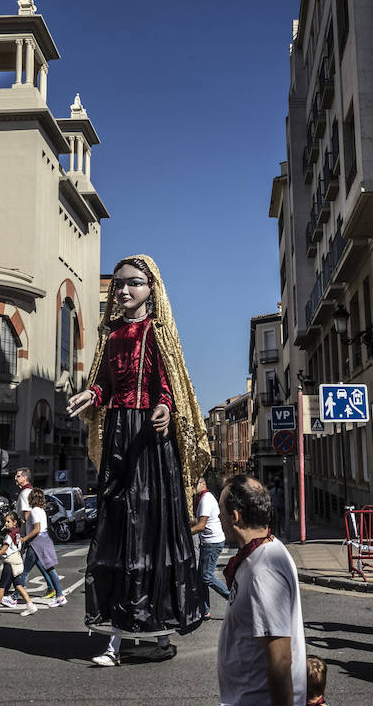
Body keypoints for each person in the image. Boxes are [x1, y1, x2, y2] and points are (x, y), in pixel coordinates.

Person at [67, 256, 209, 666]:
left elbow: (168, 385)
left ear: (152, 288)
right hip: (118, 433)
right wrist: (91, 395)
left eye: (134, 283)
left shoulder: (157, 332)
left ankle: (156, 628)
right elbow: (104, 383)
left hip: (149, 439)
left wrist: (164, 407)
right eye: (120, 284)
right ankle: (119, 630)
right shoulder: (111, 334)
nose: (125, 290)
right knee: (117, 526)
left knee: (150, 528)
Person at [216, 475, 306, 706]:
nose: (218, 518)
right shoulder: (260, 553)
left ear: (235, 516)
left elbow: (281, 659)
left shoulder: (264, 571)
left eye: (221, 512)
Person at [0, 511, 37, 620]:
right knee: (18, 585)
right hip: (17, 561)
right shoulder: (17, 533)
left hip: (10, 563)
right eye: (5, 521)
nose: (6, 524)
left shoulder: (9, 536)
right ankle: (31, 606)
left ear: (14, 522)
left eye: (8, 521)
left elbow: (4, 550)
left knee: (1, 587)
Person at [21, 489, 67, 607]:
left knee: (24, 571)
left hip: (36, 542)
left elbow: (36, 529)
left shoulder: (34, 511)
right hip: (44, 539)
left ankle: (15, 596)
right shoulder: (41, 510)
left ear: (32, 498)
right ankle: (60, 596)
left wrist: (24, 539)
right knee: (49, 568)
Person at [192, 473, 230, 618]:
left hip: (212, 542)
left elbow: (201, 526)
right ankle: (204, 610)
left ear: (203, 484)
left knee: (206, 576)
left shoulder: (206, 499)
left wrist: (184, 533)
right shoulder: (201, 498)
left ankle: (232, 597)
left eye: (194, 484)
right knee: (201, 577)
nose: (192, 487)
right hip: (208, 541)